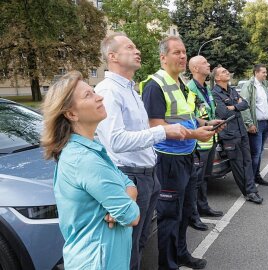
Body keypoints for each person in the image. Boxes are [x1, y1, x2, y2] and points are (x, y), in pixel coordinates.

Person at [95, 33, 188, 270]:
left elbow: (139, 130)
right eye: (130, 47)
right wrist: (163, 132)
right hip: (130, 177)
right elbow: (116, 141)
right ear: (112, 56)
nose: (137, 51)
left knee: (140, 243)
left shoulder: (130, 89)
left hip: (148, 174)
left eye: (136, 46)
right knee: (127, 249)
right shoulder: (109, 91)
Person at [41, 71, 140, 269]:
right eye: (88, 95)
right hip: (97, 262)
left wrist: (125, 199)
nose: (99, 96)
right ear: (71, 114)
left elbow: (129, 183)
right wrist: (126, 202)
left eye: (93, 91)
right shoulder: (84, 159)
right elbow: (132, 216)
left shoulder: (90, 147)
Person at [140, 36, 224, 270]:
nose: (182, 56)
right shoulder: (154, 86)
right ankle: (168, 265)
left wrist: (204, 123)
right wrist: (195, 135)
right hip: (168, 161)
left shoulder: (181, 84)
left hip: (187, 156)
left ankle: (181, 254)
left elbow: (185, 116)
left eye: (184, 52)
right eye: (176, 52)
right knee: (168, 216)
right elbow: (156, 127)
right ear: (163, 57)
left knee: (186, 211)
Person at [211, 65, 264, 204]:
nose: (227, 72)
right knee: (237, 165)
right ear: (217, 78)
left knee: (247, 161)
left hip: (241, 131)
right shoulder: (214, 93)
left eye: (227, 70)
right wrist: (236, 106)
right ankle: (248, 192)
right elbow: (223, 113)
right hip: (229, 134)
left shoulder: (232, 90)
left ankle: (251, 189)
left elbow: (245, 104)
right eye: (223, 71)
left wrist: (233, 106)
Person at [187, 55, 224, 232]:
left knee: (204, 179)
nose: (208, 64)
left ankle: (203, 206)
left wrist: (214, 122)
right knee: (195, 181)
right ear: (194, 68)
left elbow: (206, 111)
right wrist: (206, 125)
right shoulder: (190, 88)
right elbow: (188, 116)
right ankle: (193, 215)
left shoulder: (205, 88)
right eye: (204, 63)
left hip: (210, 140)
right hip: (198, 142)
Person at [241, 64, 268, 186]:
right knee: (255, 153)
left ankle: (256, 176)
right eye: (263, 72)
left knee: (259, 152)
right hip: (256, 124)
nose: (266, 74)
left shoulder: (264, 85)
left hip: (265, 124)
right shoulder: (249, 86)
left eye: (266, 72)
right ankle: (249, 180)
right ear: (256, 73)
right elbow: (244, 106)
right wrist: (249, 123)